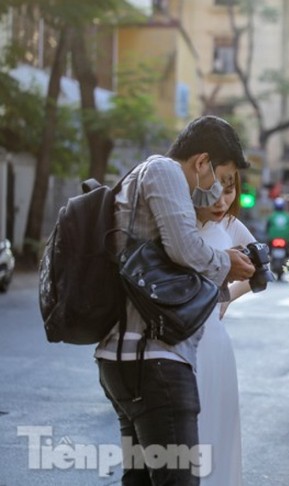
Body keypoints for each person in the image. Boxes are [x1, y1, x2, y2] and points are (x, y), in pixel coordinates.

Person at [95, 115, 256, 486]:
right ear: (201, 163)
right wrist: (226, 263)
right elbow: (186, 249)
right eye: (218, 180)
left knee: (141, 481)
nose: (218, 195)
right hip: (156, 363)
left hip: (124, 359)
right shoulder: (165, 171)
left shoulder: (140, 180)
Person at [195, 171, 254, 486]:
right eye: (217, 191)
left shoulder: (231, 226)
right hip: (179, 339)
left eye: (230, 191)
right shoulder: (178, 221)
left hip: (214, 341)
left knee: (216, 428)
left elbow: (258, 271)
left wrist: (226, 297)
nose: (223, 200)